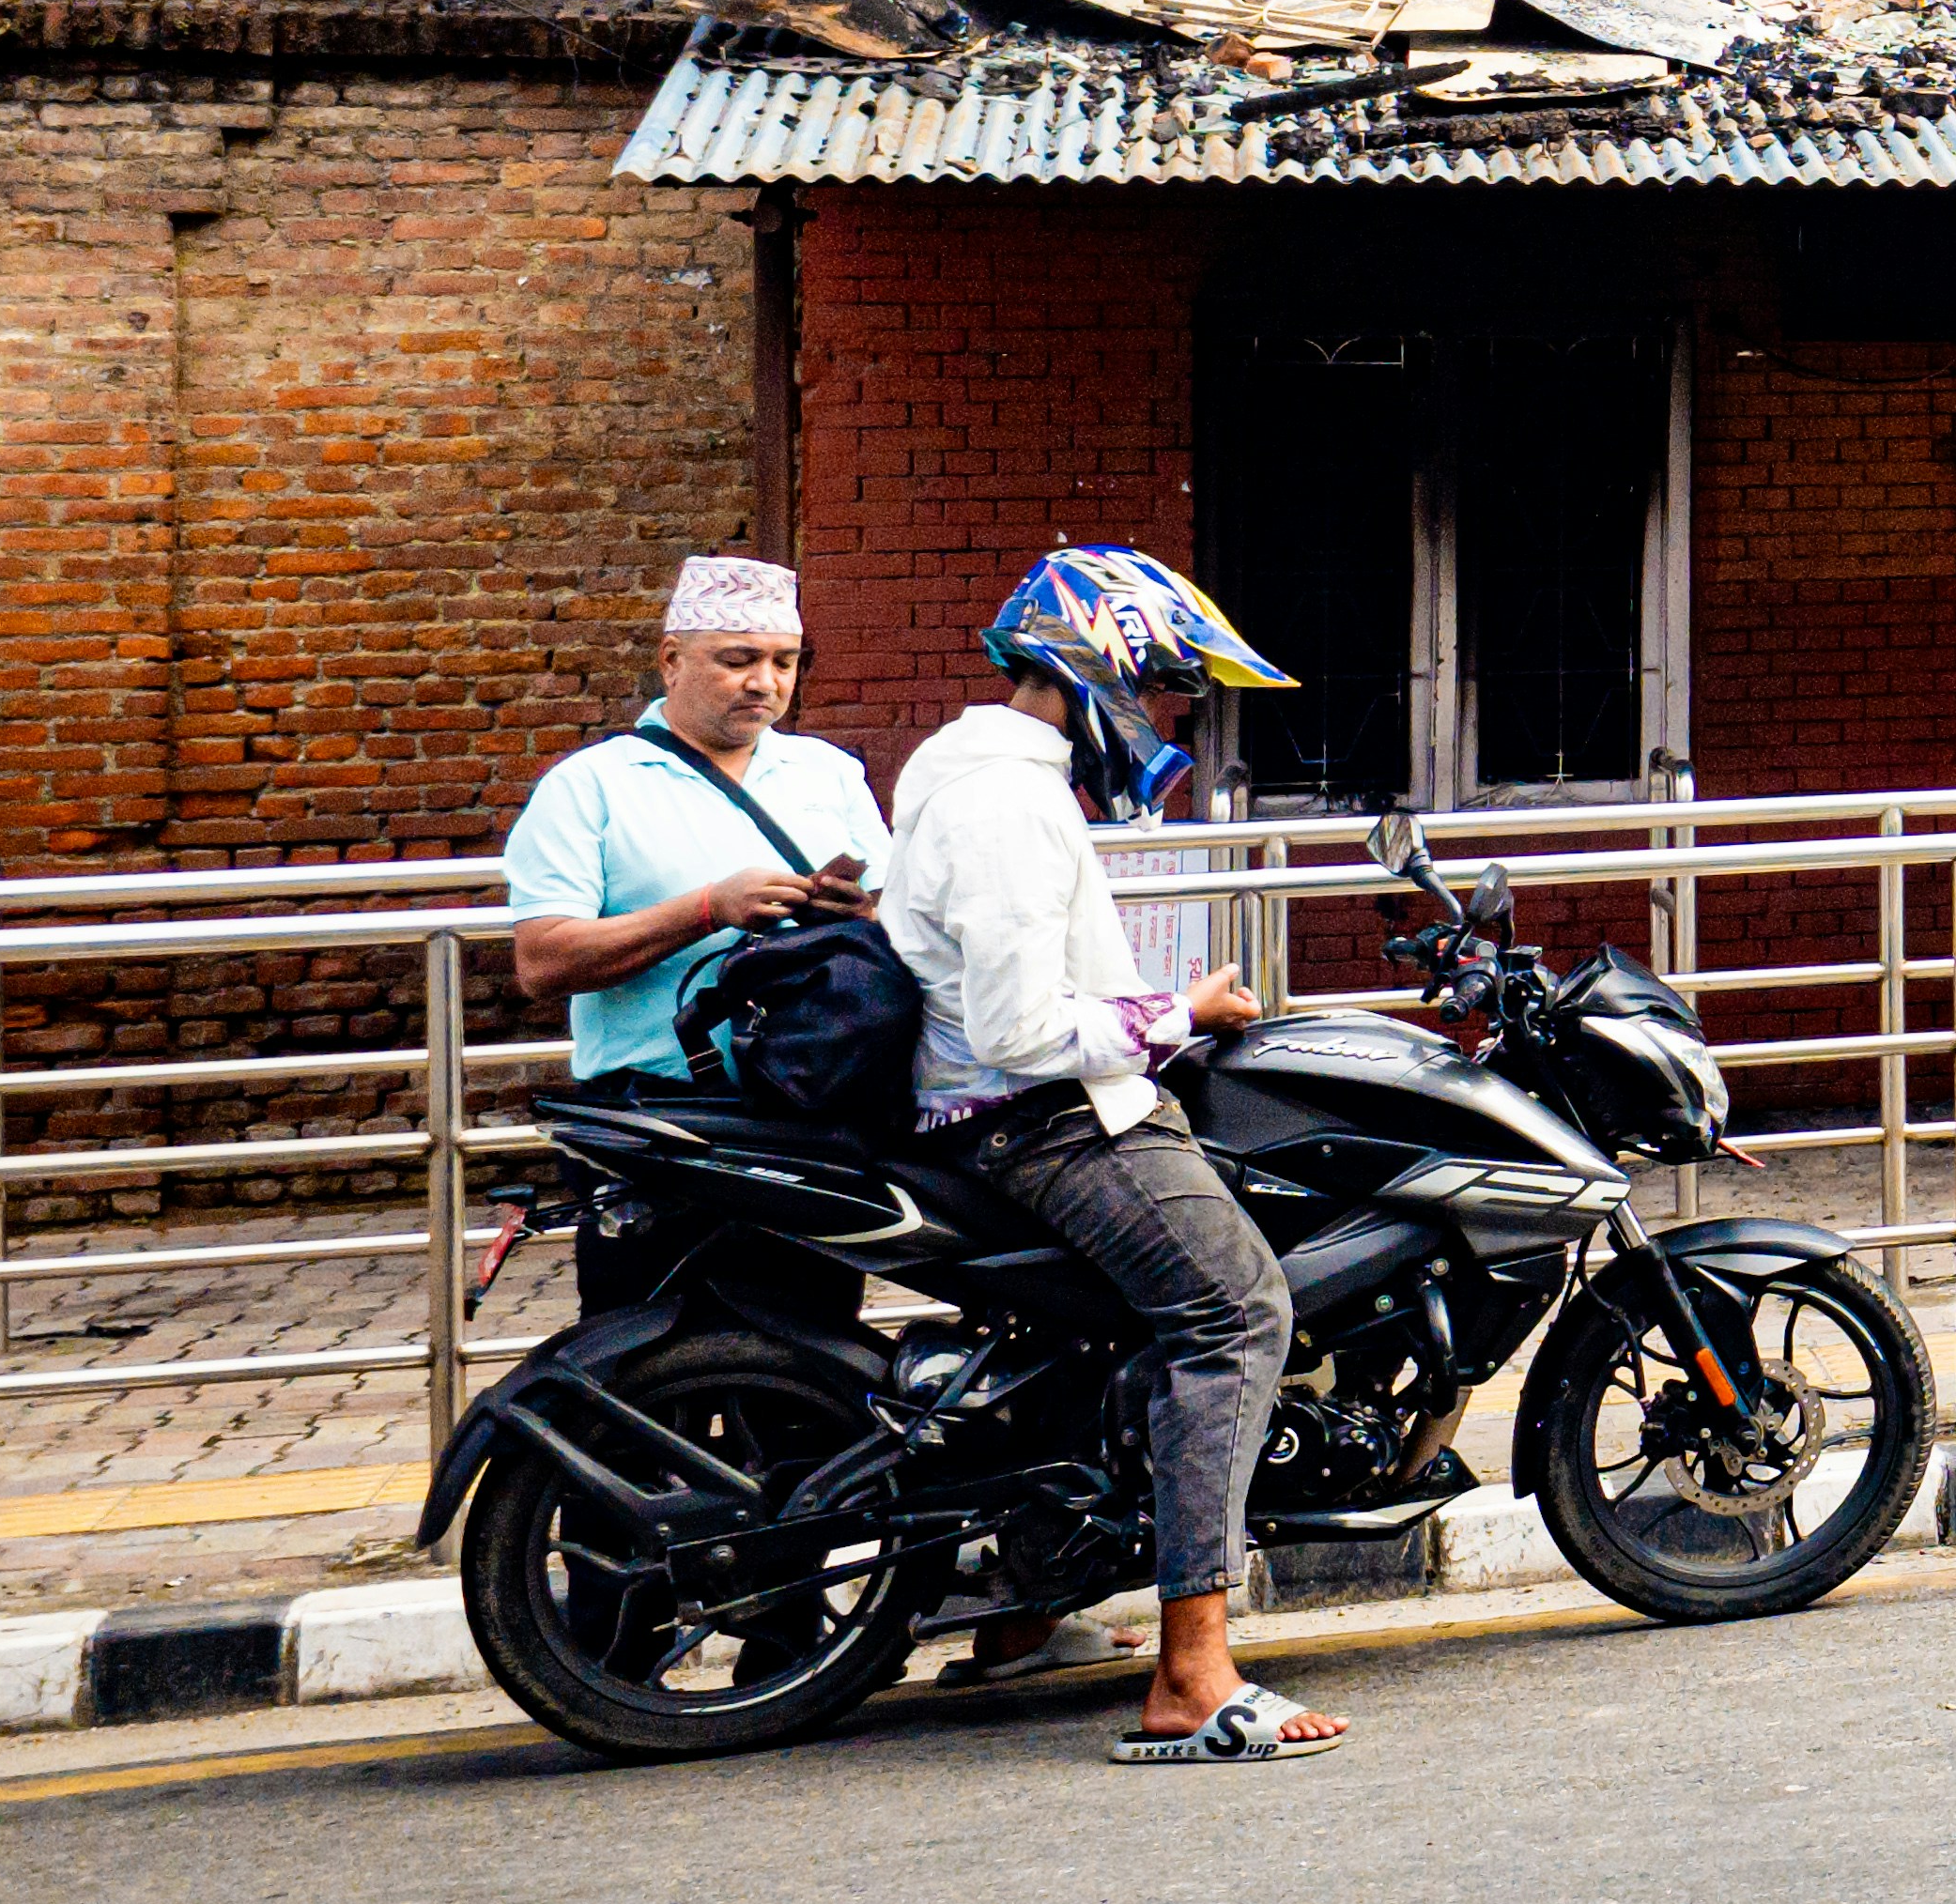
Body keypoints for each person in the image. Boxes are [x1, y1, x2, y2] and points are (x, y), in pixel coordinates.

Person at [881, 545, 1348, 1767]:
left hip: (1025, 1105)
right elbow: (1023, 1030)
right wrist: (1180, 1011)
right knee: (1239, 1311)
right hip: (1053, 1116)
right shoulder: (1010, 800)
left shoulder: (966, 762)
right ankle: (1195, 1669)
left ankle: (1029, 1601)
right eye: (1164, 689)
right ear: (1106, 672)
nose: (1168, 717)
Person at [497, 558, 886, 1300]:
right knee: (642, 1358)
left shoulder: (828, 773)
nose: (764, 682)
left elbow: (898, 919)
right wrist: (708, 907)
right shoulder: (590, 785)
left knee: (810, 1359)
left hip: (808, 1115)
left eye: (783, 661)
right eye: (737, 660)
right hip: (656, 1123)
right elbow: (542, 962)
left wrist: (860, 912)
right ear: (671, 660)